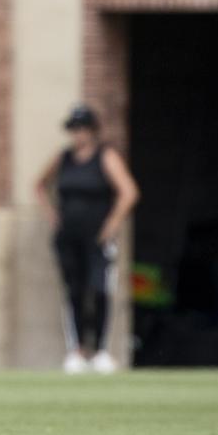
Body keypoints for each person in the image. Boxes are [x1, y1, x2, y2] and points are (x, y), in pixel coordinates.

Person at [36, 104, 138, 374]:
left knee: (100, 288)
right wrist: (53, 216)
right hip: (69, 236)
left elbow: (128, 192)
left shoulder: (105, 157)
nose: (77, 135)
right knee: (75, 290)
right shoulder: (65, 158)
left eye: (82, 129)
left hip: (97, 238)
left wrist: (111, 225)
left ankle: (101, 350)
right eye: (73, 129)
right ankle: (77, 350)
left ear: (93, 131)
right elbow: (40, 185)